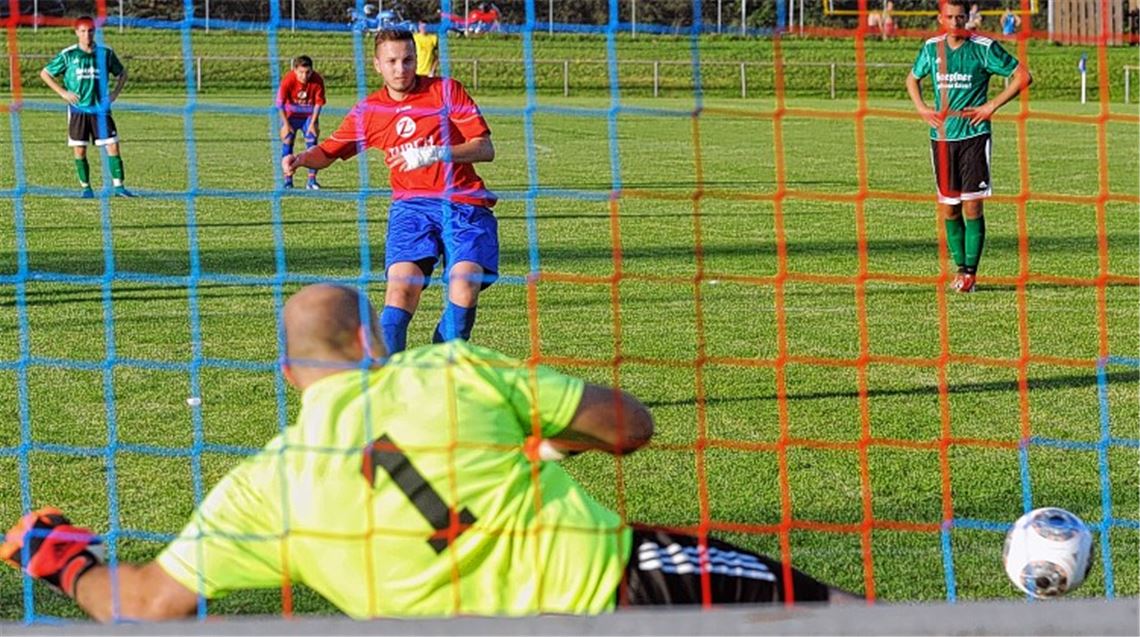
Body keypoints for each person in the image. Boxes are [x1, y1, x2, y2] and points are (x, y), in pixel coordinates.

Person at [0, 283, 859, 621]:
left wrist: (61, 558)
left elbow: (147, 603)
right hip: (617, 588)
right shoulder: (447, 371)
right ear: (372, 339)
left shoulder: (262, 488)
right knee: (858, 620)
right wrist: (550, 436)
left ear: (288, 375)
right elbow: (631, 426)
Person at [283, 29, 498, 355]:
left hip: (463, 203)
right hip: (411, 209)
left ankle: (441, 359)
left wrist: (434, 153)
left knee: (464, 283)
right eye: (392, 61)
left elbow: (485, 148)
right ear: (377, 65)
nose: (401, 69)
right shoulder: (370, 110)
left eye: (408, 60)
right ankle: (388, 376)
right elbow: (328, 152)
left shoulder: (446, 91)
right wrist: (300, 159)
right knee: (400, 291)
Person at [905, 0, 1032, 293]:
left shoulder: (984, 47)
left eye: (960, 17)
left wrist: (991, 105)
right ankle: (959, 268)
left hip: (974, 137)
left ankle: (969, 274)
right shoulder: (931, 48)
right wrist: (922, 108)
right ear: (941, 19)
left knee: (973, 205)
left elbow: (1023, 76)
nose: (955, 23)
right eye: (950, 17)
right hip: (942, 139)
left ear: (968, 18)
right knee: (950, 209)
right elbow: (912, 79)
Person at [39, 15, 133, 198]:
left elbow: (122, 74)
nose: (87, 35)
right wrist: (63, 93)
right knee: (80, 149)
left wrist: (114, 94)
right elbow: (45, 73)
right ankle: (86, 188)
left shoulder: (106, 53)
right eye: (83, 31)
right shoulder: (69, 54)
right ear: (76, 32)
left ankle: (119, 188)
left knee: (113, 146)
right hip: (78, 109)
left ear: (94, 32)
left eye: (90, 31)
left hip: (101, 109)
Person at [276, 55, 326, 190]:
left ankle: (312, 180)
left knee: (312, 145)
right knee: (287, 141)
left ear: (312, 70)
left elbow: (318, 103)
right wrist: (286, 125)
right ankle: (288, 181)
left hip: (308, 117)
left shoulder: (317, 80)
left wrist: (313, 123)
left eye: (308, 72)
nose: (304, 76)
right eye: (301, 72)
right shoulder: (288, 80)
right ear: (295, 70)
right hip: (290, 116)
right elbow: (280, 104)